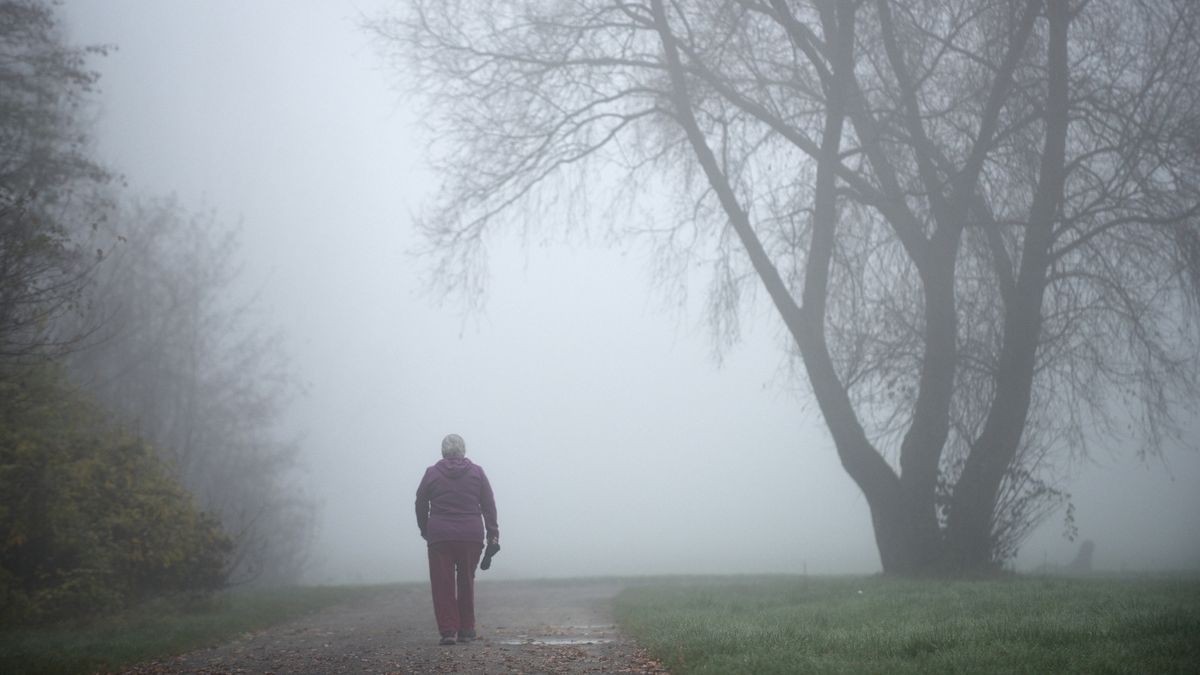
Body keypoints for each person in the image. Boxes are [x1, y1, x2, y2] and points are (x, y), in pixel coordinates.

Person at [414, 433, 499, 645]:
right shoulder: (477, 473)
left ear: (443, 452)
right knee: (466, 582)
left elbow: (420, 503)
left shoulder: (432, 473)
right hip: (471, 535)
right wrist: (493, 534)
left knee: (443, 584)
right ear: (464, 450)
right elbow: (489, 506)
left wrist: (426, 529)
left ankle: (448, 631)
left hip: (440, 536)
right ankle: (467, 629)